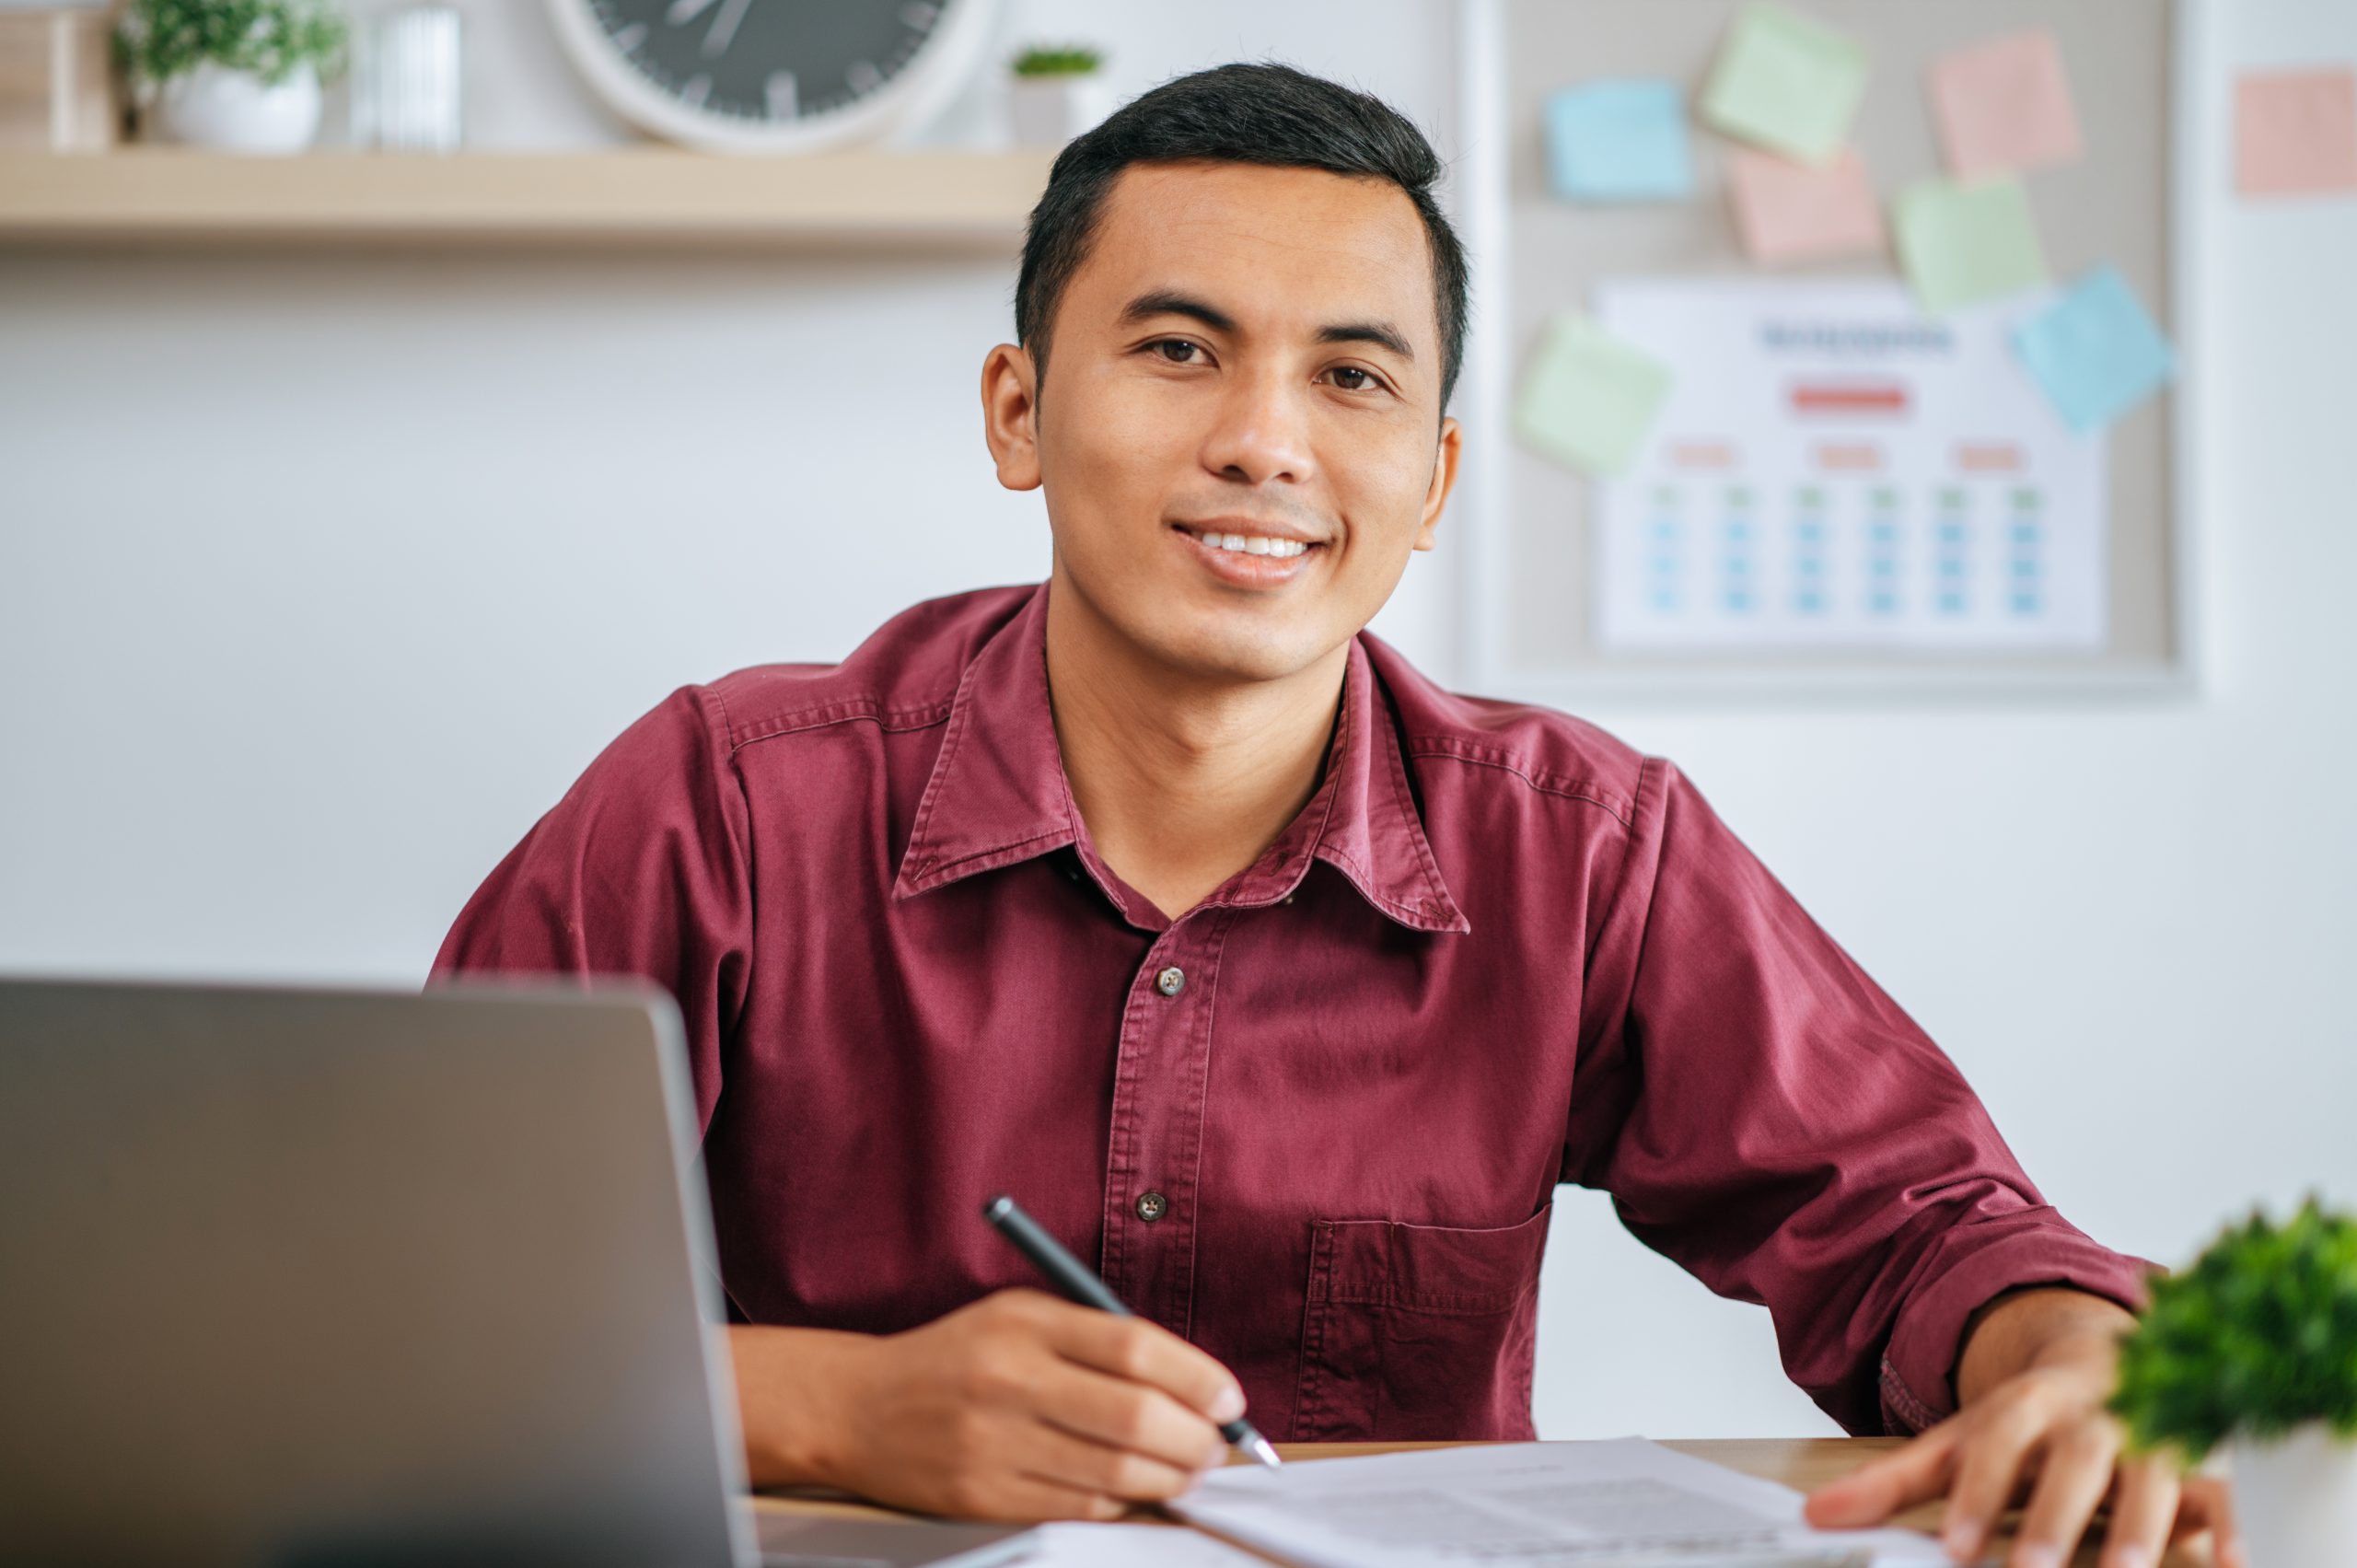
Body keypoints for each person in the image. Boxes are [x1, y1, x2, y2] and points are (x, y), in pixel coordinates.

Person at [434, 63, 2237, 1568]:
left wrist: (2067, 1360)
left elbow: (1925, 1226)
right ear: (1018, 411)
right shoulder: (718, 803)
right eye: (1175, 350)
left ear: (1432, 477)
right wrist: (844, 1411)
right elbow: (409, 1308)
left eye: (1352, 377)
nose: (1263, 444)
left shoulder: (1577, 847)